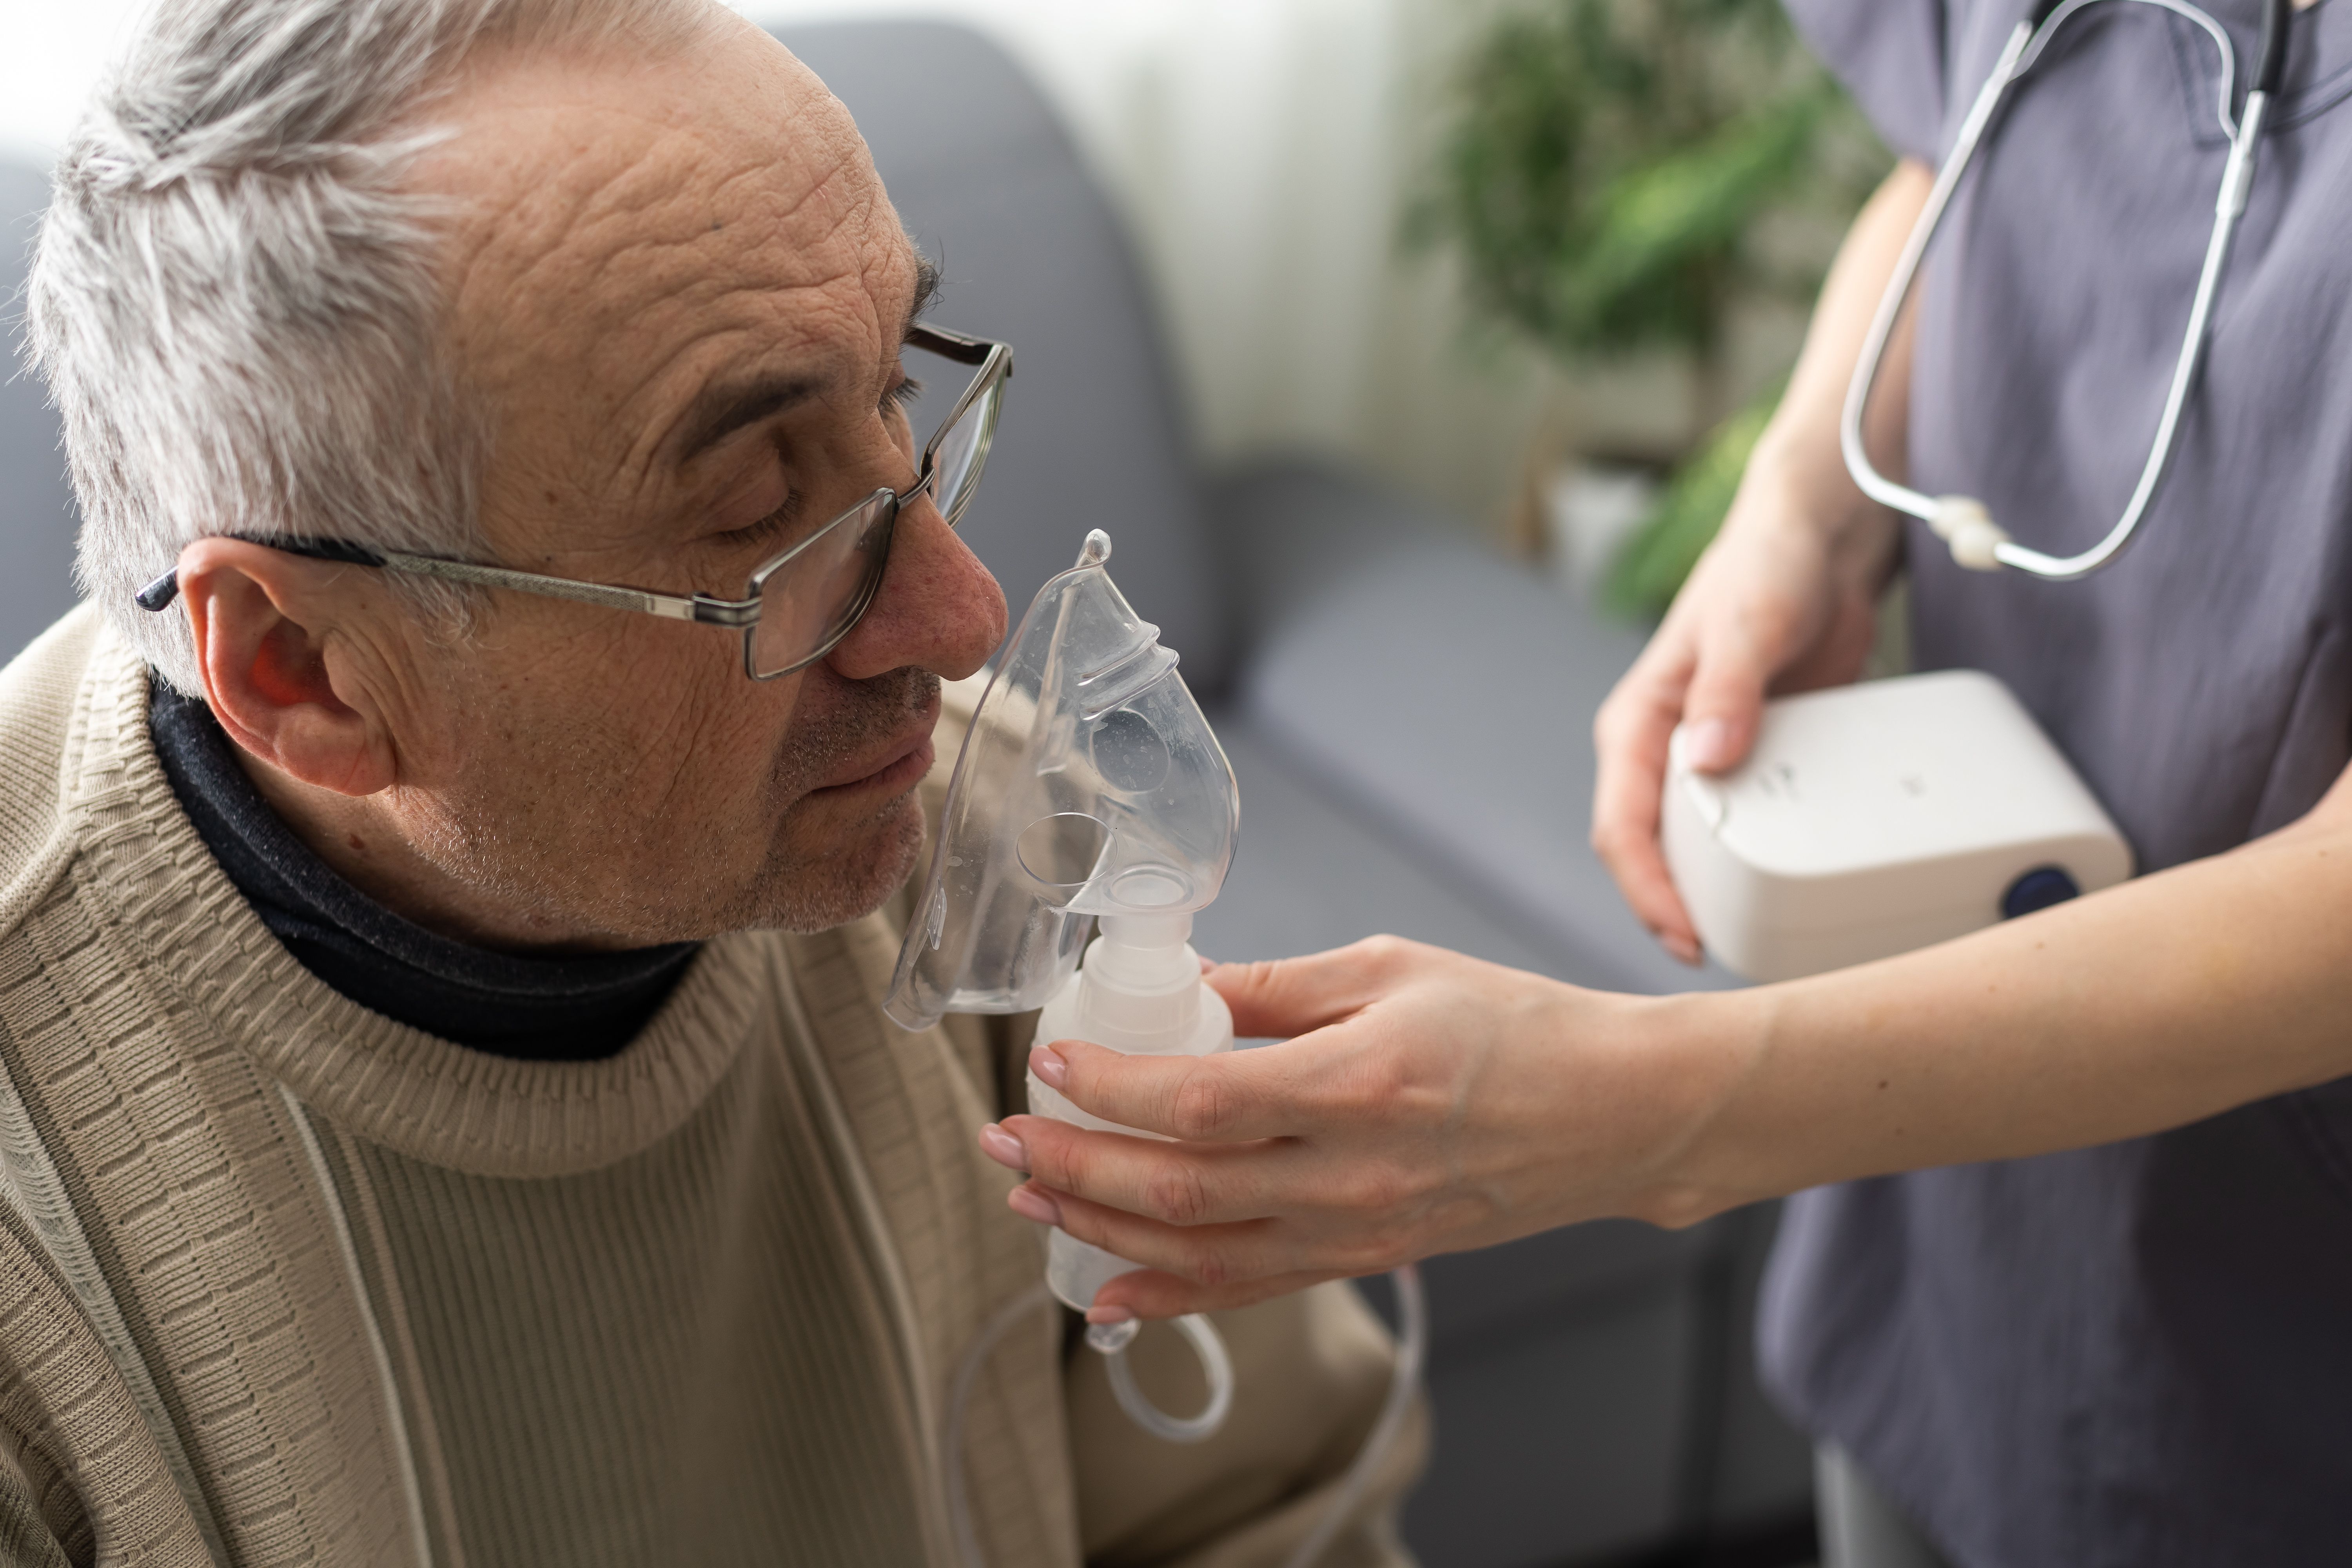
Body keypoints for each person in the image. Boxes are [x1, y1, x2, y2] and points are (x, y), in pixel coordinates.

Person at [0, 1, 1422, 1562]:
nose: (963, 625)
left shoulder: (992, 847)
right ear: (308, 674)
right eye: (758, 512)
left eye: (894, 397)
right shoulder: (42, 1238)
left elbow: (1279, 1511)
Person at [979, 0, 2352, 1563]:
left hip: (2286, 1336)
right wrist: (1806, 505)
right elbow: (1963, 150)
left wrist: (1663, 1116)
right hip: (1948, 1216)